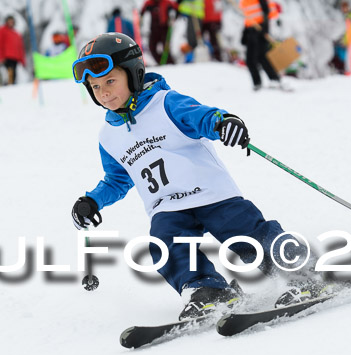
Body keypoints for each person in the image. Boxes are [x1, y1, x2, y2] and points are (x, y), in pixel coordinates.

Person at [70, 33, 327, 319]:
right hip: (166, 207)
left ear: (134, 73)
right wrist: (92, 201)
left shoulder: (165, 103)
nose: (103, 93)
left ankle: (303, 272)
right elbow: (117, 179)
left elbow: (202, 117)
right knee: (165, 246)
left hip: (211, 194)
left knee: (248, 234)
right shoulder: (108, 137)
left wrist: (224, 123)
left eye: (109, 81)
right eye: (94, 87)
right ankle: (208, 290)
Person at [240, 0, 284, 90]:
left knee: (257, 58)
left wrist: (264, 27)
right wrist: (245, 31)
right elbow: (249, 16)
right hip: (252, 29)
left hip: (259, 28)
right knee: (256, 58)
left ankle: (270, 81)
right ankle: (264, 82)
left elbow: (266, 10)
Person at [141, 0, 179, 65]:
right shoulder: (149, 3)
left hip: (164, 28)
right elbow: (142, 13)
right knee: (152, 47)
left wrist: (173, 14)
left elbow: (176, 9)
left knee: (166, 47)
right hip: (153, 29)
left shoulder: (167, 3)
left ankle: (170, 62)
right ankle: (160, 62)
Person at [0, 15, 26, 85]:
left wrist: (22, 60)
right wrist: (0, 56)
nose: (11, 23)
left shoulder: (16, 34)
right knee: (7, 74)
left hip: (15, 58)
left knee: (13, 75)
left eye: (12, 22)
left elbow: (20, 48)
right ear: (6, 22)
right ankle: (5, 86)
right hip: (6, 58)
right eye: (9, 21)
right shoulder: (1, 30)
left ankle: (11, 87)